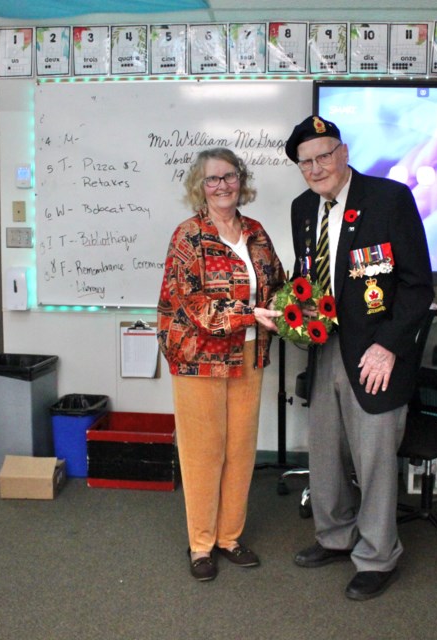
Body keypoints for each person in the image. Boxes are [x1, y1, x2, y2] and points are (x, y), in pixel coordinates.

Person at [285, 116, 434, 600]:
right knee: (325, 452)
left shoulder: (389, 200)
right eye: (306, 162)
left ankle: (376, 555)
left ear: (344, 152)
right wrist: (293, 310)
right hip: (326, 346)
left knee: (373, 459)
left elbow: (417, 286)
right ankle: (335, 536)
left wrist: (389, 345)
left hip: (375, 352)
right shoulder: (302, 208)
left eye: (324, 155)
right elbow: (309, 277)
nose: (316, 168)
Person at [157, 147, 284, 582]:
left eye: (229, 177)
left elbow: (278, 286)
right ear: (200, 186)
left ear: (241, 180)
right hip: (199, 358)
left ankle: (229, 538)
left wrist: (297, 308)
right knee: (203, 454)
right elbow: (198, 308)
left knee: (240, 451)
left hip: (249, 353)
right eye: (213, 179)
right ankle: (201, 545)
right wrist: (252, 315)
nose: (223, 185)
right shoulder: (188, 237)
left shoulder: (256, 233)